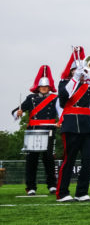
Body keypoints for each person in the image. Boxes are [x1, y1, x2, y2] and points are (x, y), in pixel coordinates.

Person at [56, 46, 90, 202]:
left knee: (89, 159)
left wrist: (89, 78)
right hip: (71, 124)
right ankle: (62, 193)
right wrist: (76, 78)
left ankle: (81, 192)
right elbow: (64, 98)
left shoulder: (88, 84)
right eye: (76, 70)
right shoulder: (64, 83)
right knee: (69, 160)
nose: (80, 71)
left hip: (87, 125)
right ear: (71, 71)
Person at [11, 65, 59, 195]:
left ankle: (52, 185)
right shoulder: (30, 98)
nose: (44, 88)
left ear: (49, 87)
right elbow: (15, 112)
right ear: (38, 87)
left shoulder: (55, 98)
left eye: (46, 87)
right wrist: (18, 113)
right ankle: (31, 187)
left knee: (49, 159)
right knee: (31, 159)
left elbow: (62, 112)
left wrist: (61, 122)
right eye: (42, 86)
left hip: (49, 130)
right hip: (33, 131)